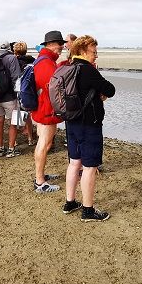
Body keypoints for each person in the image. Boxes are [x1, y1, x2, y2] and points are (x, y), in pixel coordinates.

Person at [62, 35, 115, 221]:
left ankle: (70, 202)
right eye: (94, 52)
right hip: (89, 124)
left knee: (74, 162)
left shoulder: (67, 67)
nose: (96, 56)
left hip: (71, 122)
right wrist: (100, 93)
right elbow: (110, 89)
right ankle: (88, 210)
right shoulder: (88, 71)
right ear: (83, 51)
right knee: (90, 166)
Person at [31, 30, 66, 193]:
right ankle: (39, 181)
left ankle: (41, 176)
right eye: (59, 44)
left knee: (44, 143)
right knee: (44, 144)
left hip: (43, 107)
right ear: (50, 45)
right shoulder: (45, 62)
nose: (62, 47)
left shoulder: (44, 59)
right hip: (46, 109)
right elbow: (51, 86)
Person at [0, 40, 22, 158]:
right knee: (13, 122)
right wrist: (19, 94)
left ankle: (0, 148)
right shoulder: (12, 58)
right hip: (9, 97)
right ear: (10, 48)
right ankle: (11, 149)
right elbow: (16, 78)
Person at [13, 41, 35, 146]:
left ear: (15, 51)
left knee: (17, 115)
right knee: (28, 116)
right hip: (28, 90)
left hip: (17, 90)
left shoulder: (14, 62)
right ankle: (30, 138)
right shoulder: (32, 61)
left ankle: (15, 140)